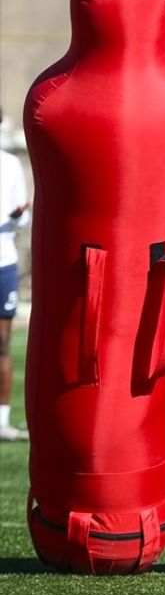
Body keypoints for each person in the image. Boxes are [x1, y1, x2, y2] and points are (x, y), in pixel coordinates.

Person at [0, 108, 31, 442]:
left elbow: (21, 217)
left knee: (2, 343)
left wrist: (17, 214)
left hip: (3, 261)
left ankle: (2, 420)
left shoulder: (9, 164)